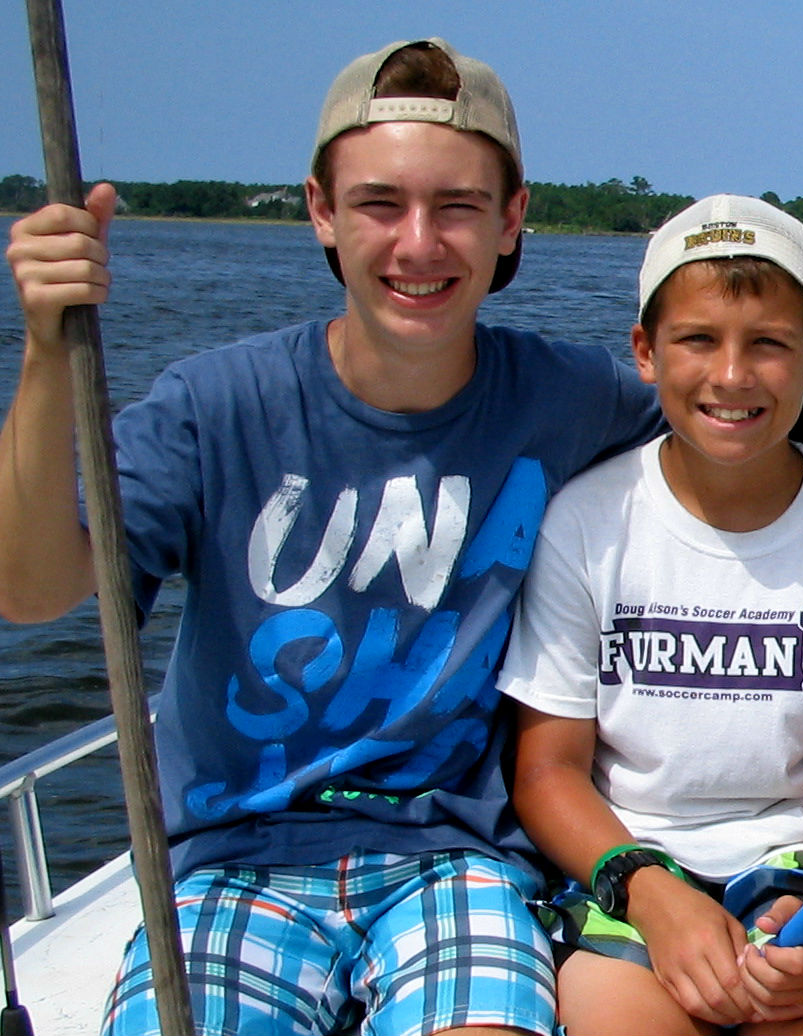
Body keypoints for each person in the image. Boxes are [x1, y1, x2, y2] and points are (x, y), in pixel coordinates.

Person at [0, 39, 665, 1036]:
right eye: (378, 204)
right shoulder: (214, 406)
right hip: (231, 854)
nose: (418, 244)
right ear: (320, 209)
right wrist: (49, 348)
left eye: (456, 207)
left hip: (458, 853)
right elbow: (32, 588)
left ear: (510, 217)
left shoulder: (570, 398)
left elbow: (728, 454)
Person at [499, 195, 803, 1036]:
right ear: (646, 354)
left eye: (768, 343)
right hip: (630, 865)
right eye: (698, 340)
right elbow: (548, 769)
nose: (732, 376)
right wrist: (652, 898)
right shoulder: (585, 523)